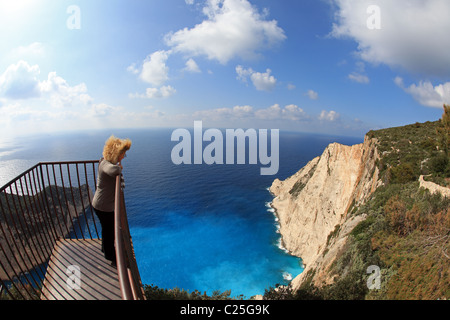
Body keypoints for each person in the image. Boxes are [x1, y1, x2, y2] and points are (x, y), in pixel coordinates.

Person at [92, 135, 131, 266]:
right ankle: (112, 257)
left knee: (106, 229)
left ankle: (105, 249)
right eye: (123, 155)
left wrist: (118, 166)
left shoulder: (104, 161)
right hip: (103, 206)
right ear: (116, 153)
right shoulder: (106, 165)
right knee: (110, 230)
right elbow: (112, 170)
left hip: (101, 204)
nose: (123, 157)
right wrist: (119, 168)